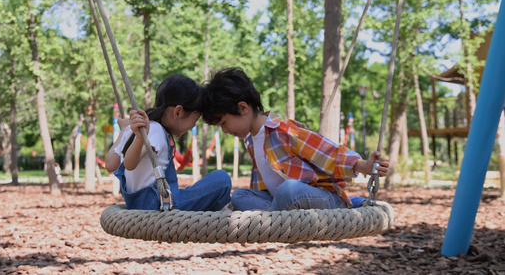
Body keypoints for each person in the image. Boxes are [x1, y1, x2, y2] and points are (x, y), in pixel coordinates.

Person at [201, 67, 390, 211]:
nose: (225, 130)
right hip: (280, 203)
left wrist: (363, 165)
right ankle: (273, 218)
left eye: (224, 123)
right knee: (239, 195)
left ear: (243, 108)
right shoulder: (250, 140)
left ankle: (273, 220)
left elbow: (327, 152)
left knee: (289, 188)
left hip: (319, 198)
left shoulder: (283, 131)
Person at [105, 74, 232, 211]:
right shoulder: (155, 131)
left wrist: (123, 130)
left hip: (139, 204)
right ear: (178, 112)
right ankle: (222, 211)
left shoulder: (133, 129)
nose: (193, 126)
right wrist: (141, 139)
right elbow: (130, 164)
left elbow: (110, 164)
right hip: (159, 206)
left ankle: (219, 210)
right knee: (222, 180)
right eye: (195, 119)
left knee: (200, 193)